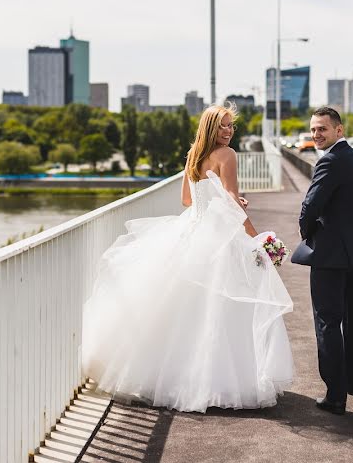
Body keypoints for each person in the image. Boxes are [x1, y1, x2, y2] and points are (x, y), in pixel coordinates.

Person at [82, 103, 294, 413]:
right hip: (220, 237)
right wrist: (258, 238)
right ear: (210, 127)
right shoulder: (228, 155)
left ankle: (171, 378)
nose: (228, 131)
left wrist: (223, 197)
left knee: (184, 309)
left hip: (192, 232)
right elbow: (233, 204)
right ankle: (217, 381)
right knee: (223, 309)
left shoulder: (194, 153)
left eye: (230, 126)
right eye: (222, 126)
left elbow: (186, 199)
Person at [291, 106, 353, 415]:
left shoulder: (330, 161)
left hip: (332, 257)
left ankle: (335, 394)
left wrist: (311, 235)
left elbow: (309, 208)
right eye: (314, 129)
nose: (317, 134)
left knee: (328, 321)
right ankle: (350, 380)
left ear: (338, 131)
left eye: (322, 129)